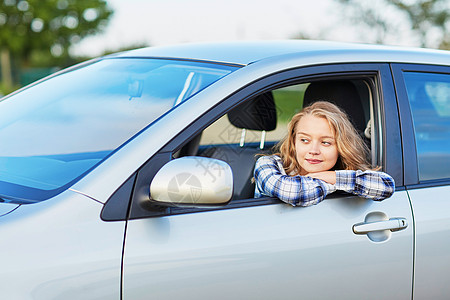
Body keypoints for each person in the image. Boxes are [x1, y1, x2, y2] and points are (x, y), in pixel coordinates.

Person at [253, 101, 395, 207]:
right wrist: (333, 183)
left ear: (341, 146)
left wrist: (331, 176)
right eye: (304, 140)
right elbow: (292, 192)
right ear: (293, 141)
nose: (313, 150)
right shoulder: (268, 165)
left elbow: (386, 185)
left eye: (326, 142)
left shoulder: (340, 171)